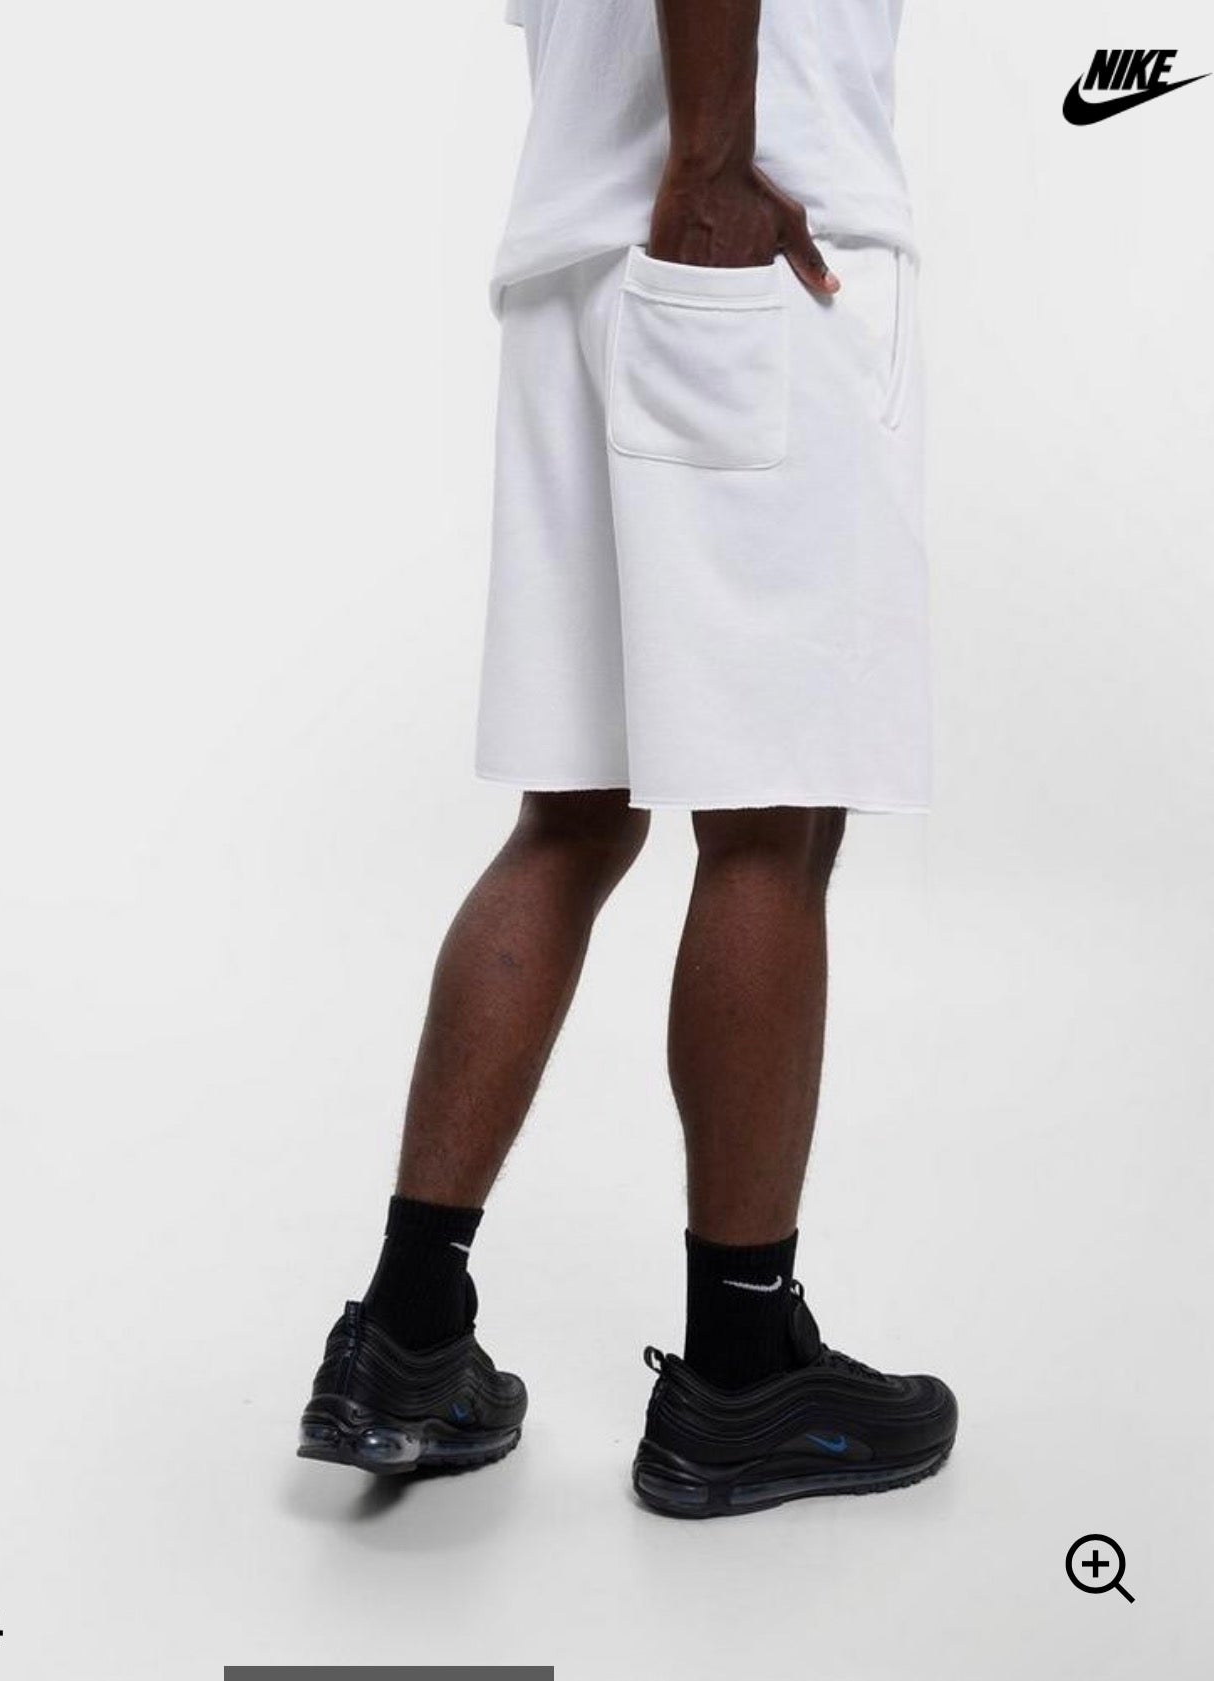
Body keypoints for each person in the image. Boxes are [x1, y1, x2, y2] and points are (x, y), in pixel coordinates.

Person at [298, 0, 956, 1517]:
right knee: (768, 826)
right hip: (745, 250)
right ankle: (743, 1370)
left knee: (575, 816)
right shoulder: (721, 194)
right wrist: (711, 159)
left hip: (579, 254)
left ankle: (407, 1333)